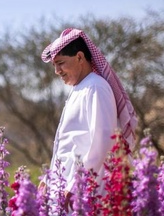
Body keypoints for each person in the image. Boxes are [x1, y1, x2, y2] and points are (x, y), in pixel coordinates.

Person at [39, 28, 137, 214]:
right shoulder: (79, 88)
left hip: (86, 193)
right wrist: (48, 179)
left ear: (79, 57)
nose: (57, 71)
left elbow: (102, 142)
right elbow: (66, 144)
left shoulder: (95, 87)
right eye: (54, 65)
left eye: (60, 63)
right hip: (66, 187)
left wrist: (77, 184)